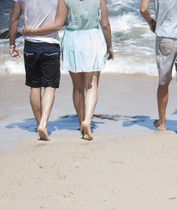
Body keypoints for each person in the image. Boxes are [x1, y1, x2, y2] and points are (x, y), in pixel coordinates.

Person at [23, 0, 114, 141]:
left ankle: (80, 122)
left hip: (72, 39)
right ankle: (87, 121)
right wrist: (109, 46)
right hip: (93, 38)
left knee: (77, 87)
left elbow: (59, 21)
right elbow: (105, 24)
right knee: (91, 85)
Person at [140, 0, 177, 139]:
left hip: (164, 35)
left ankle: (162, 123)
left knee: (164, 82)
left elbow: (143, 9)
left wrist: (151, 22)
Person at [9, 0, 61, 141]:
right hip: (50, 44)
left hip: (31, 45)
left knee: (34, 86)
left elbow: (14, 19)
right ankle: (43, 124)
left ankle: (39, 124)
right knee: (50, 87)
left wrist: (12, 44)